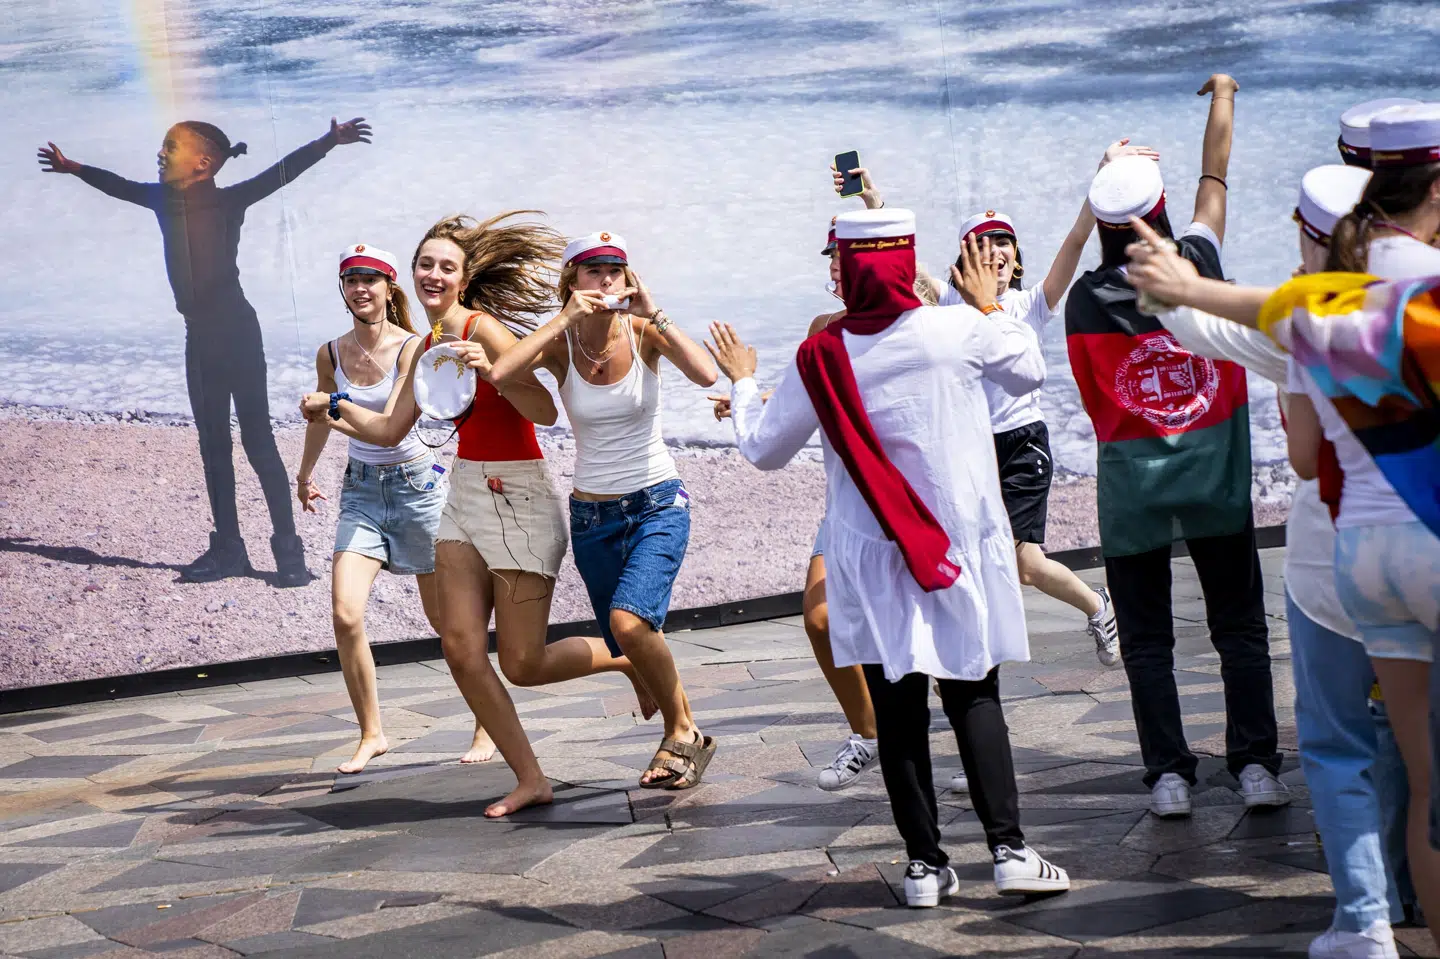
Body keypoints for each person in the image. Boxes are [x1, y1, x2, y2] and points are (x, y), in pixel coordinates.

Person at [1123, 126, 1440, 948]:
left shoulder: (1317, 310)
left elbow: (1220, 324)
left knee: (1345, 748)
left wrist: (1172, 277)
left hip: (1344, 564)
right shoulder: (1421, 294)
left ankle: (1366, 923)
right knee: (1419, 761)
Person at [709, 207, 1069, 906]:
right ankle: (1010, 850)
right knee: (972, 688)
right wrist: (991, 304)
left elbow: (762, 448)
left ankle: (925, 867)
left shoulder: (823, 355)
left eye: (836, 262)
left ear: (852, 267)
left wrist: (743, 379)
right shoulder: (956, 329)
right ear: (903, 263)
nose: (833, 274)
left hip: (871, 552)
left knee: (898, 705)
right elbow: (1028, 370)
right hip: (955, 542)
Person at [304, 214, 644, 815]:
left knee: (523, 663)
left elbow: (543, 410)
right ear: (412, 276)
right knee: (460, 645)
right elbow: (387, 430)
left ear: (463, 279)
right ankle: (530, 777)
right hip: (463, 489)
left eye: (446, 267)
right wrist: (332, 406)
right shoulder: (428, 344)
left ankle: (625, 657)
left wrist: (492, 370)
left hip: (518, 493)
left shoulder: (483, 329)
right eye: (425, 265)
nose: (433, 274)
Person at [1064, 75, 1288, 819]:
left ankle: (1168, 774)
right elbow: (1214, 178)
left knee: (1149, 640)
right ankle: (1255, 764)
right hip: (1214, 478)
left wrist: (1102, 175)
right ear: (1158, 214)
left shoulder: (1084, 300)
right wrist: (1224, 94)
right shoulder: (1199, 264)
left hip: (1132, 490)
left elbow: (1097, 401)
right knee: (1239, 627)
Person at [38, 117, 372, 586]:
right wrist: (73, 167)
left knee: (258, 442)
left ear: (203, 162)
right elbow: (115, 185)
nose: (160, 154)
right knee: (212, 443)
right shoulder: (161, 200)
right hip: (199, 337)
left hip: (237, 331)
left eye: (170, 147)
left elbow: (280, 172)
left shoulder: (227, 199)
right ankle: (229, 549)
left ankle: (288, 552)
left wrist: (327, 142)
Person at [481, 232, 720, 790]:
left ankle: (682, 730)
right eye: (592, 269)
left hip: (658, 500)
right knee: (627, 639)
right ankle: (678, 724)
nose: (606, 278)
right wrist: (563, 320)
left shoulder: (642, 333)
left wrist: (654, 310)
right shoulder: (560, 346)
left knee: (628, 623)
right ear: (572, 281)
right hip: (592, 519)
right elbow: (500, 371)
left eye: (616, 268)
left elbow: (707, 374)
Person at [295, 244, 467, 774]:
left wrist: (333, 407)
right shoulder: (330, 352)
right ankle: (372, 733)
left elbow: (392, 426)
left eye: (372, 279)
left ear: (391, 288)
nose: (361, 288)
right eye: (352, 279)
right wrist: (304, 475)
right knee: (346, 615)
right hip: (362, 491)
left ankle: (486, 722)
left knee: (446, 623)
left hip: (416, 487)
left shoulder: (414, 346)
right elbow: (322, 419)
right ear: (342, 288)